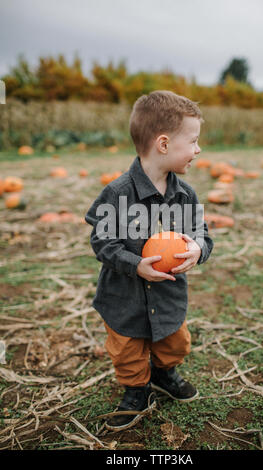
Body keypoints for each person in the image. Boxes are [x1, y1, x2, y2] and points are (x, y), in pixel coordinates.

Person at [85, 90, 214, 431]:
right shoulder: (117, 193)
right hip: (123, 298)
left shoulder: (185, 195)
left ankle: (164, 373)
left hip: (169, 295)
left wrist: (198, 249)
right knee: (127, 349)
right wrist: (134, 263)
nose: (198, 150)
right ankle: (135, 390)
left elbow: (202, 233)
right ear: (163, 144)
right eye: (194, 141)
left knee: (174, 340)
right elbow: (102, 241)